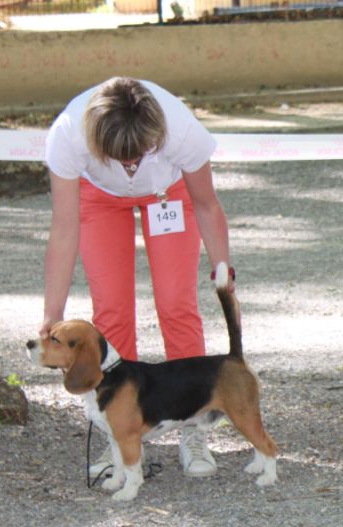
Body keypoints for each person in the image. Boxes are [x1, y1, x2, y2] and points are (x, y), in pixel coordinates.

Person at [40, 76, 234, 477]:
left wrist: (223, 269)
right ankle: (119, 435)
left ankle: (193, 425)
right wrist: (52, 315)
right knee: (111, 311)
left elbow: (206, 203)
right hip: (99, 198)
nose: (130, 166)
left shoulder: (181, 128)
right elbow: (64, 228)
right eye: (120, 158)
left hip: (168, 193)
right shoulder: (66, 134)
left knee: (176, 304)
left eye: (138, 155)